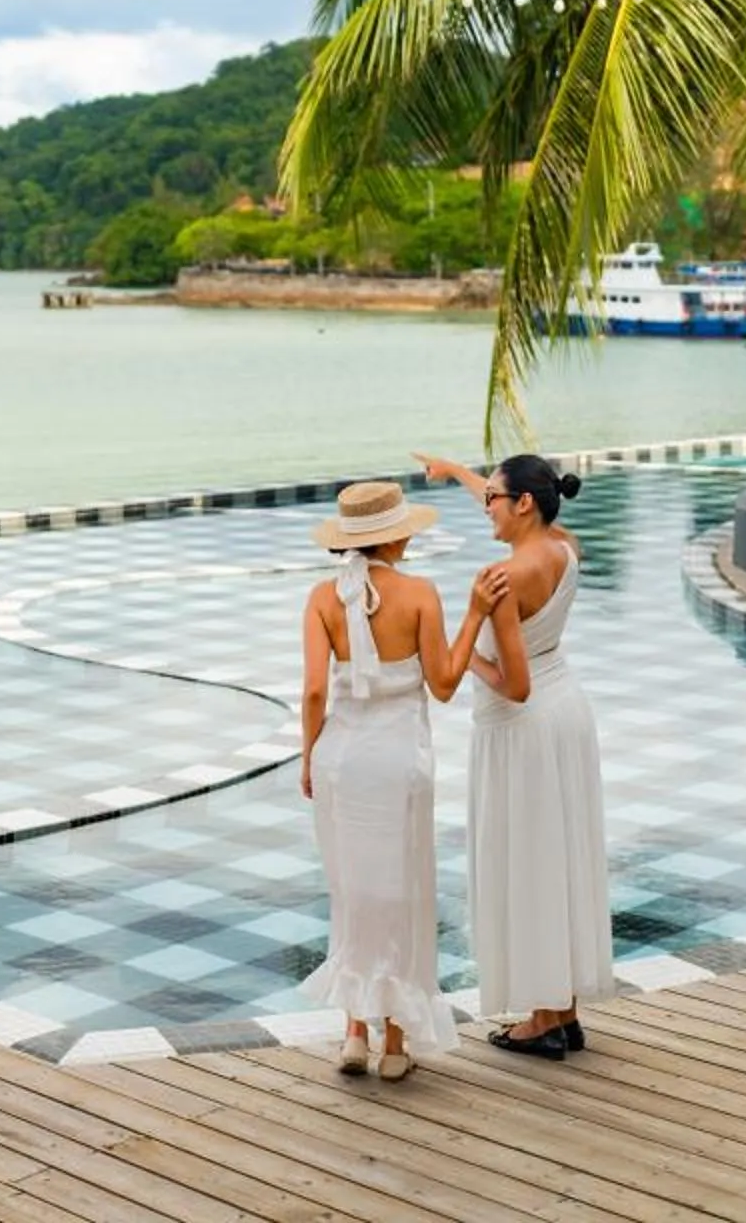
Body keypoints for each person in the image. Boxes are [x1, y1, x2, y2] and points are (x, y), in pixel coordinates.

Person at [415, 450, 615, 1058]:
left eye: (492, 500)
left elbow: (514, 683)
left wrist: (463, 644)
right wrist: (456, 471)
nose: (486, 510)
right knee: (558, 860)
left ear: (523, 503)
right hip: (567, 712)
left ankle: (542, 1021)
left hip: (522, 727)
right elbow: (512, 493)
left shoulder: (505, 578)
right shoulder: (562, 543)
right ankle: (563, 1009)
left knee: (528, 864)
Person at [298, 479, 493, 1078]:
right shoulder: (420, 595)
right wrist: (477, 615)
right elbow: (443, 682)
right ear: (397, 535)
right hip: (399, 761)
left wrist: (309, 757)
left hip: (341, 760)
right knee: (403, 893)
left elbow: (312, 691)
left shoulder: (322, 599)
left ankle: (354, 1032)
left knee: (353, 892)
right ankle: (396, 1046)